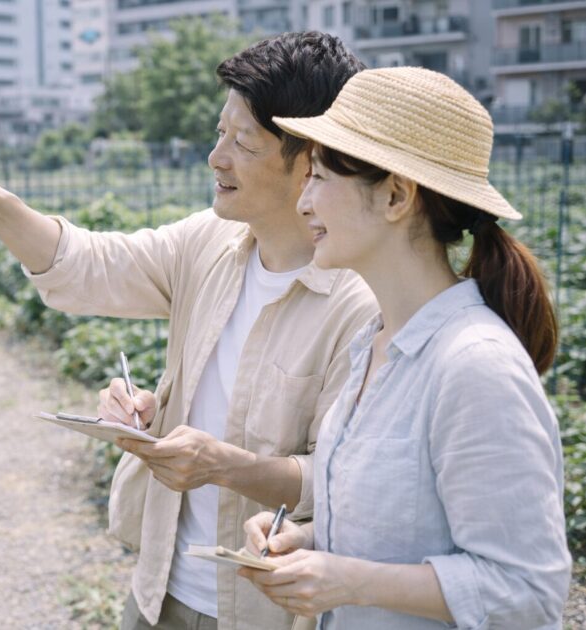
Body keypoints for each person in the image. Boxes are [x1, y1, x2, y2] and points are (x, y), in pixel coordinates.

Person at [0, 32, 377, 629]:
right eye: (220, 133)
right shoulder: (210, 244)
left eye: (242, 142)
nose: (216, 157)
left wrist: (220, 464)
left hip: (263, 609)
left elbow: (339, 481)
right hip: (160, 588)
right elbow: (88, 264)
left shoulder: (358, 304)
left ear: (309, 160)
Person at [237, 67, 572, 629]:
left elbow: (526, 588)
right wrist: (308, 540)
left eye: (319, 176)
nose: (303, 202)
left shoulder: (475, 367)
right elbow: (405, 526)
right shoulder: (374, 343)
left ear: (395, 195)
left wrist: (348, 579)